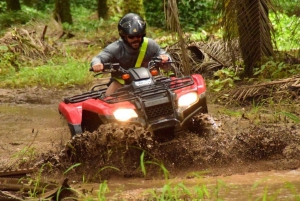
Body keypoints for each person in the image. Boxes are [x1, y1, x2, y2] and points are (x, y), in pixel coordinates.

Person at [90, 12, 172, 96]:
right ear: (124, 36)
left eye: (138, 36)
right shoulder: (116, 48)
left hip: (149, 81)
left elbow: (162, 53)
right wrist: (97, 64)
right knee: (108, 100)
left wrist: (165, 58)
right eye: (131, 37)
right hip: (122, 84)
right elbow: (99, 58)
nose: (135, 39)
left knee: (169, 94)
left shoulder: (150, 44)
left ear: (142, 35)